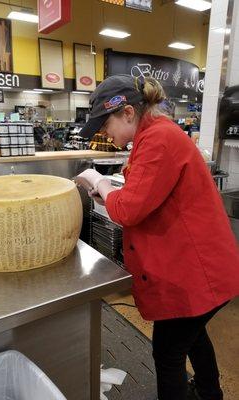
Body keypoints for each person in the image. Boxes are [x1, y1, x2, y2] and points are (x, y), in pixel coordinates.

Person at [75, 74, 239, 400]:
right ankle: (209, 392)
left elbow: (129, 210)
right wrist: (107, 194)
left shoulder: (159, 139)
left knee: (168, 353)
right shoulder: (153, 135)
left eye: (105, 124)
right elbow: (145, 195)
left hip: (195, 272)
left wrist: (102, 184)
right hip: (198, 268)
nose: (104, 134)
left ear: (127, 113)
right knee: (191, 337)